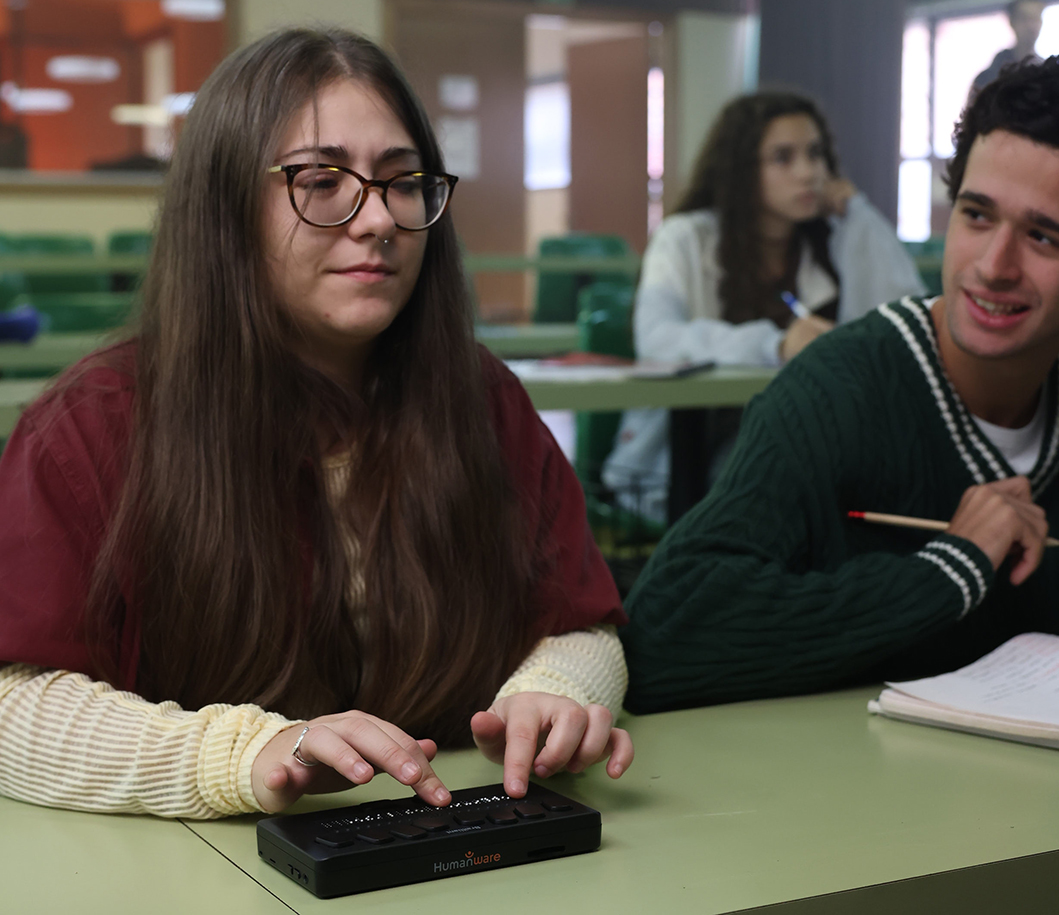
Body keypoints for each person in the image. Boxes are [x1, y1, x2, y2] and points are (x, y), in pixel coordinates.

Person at [0, 28, 633, 819]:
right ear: (226, 203)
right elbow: (11, 705)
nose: (379, 220)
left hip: (449, 848)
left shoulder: (481, 398)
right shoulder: (92, 427)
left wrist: (556, 689)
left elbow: (581, 623)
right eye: (322, 179)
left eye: (403, 182)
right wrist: (239, 753)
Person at [620, 53, 1059, 715]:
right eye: (976, 215)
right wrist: (945, 571)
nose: (992, 266)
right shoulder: (835, 394)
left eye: (1042, 237)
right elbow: (661, 638)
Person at [602, 91, 925, 523]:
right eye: (783, 157)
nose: (809, 172)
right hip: (685, 464)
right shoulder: (684, 239)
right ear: (740, 168)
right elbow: (657, 339)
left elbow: (904, 316)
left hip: (799, 450)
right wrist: (773, 347)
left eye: (816, 154)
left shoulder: (829, 244)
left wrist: (857, 213)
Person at [971, 1, 1045, 96]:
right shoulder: (988, 77)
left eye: (1036, 18)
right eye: (1024, 18)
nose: (1031, 26)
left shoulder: (1046, 71)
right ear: (1012, 22)